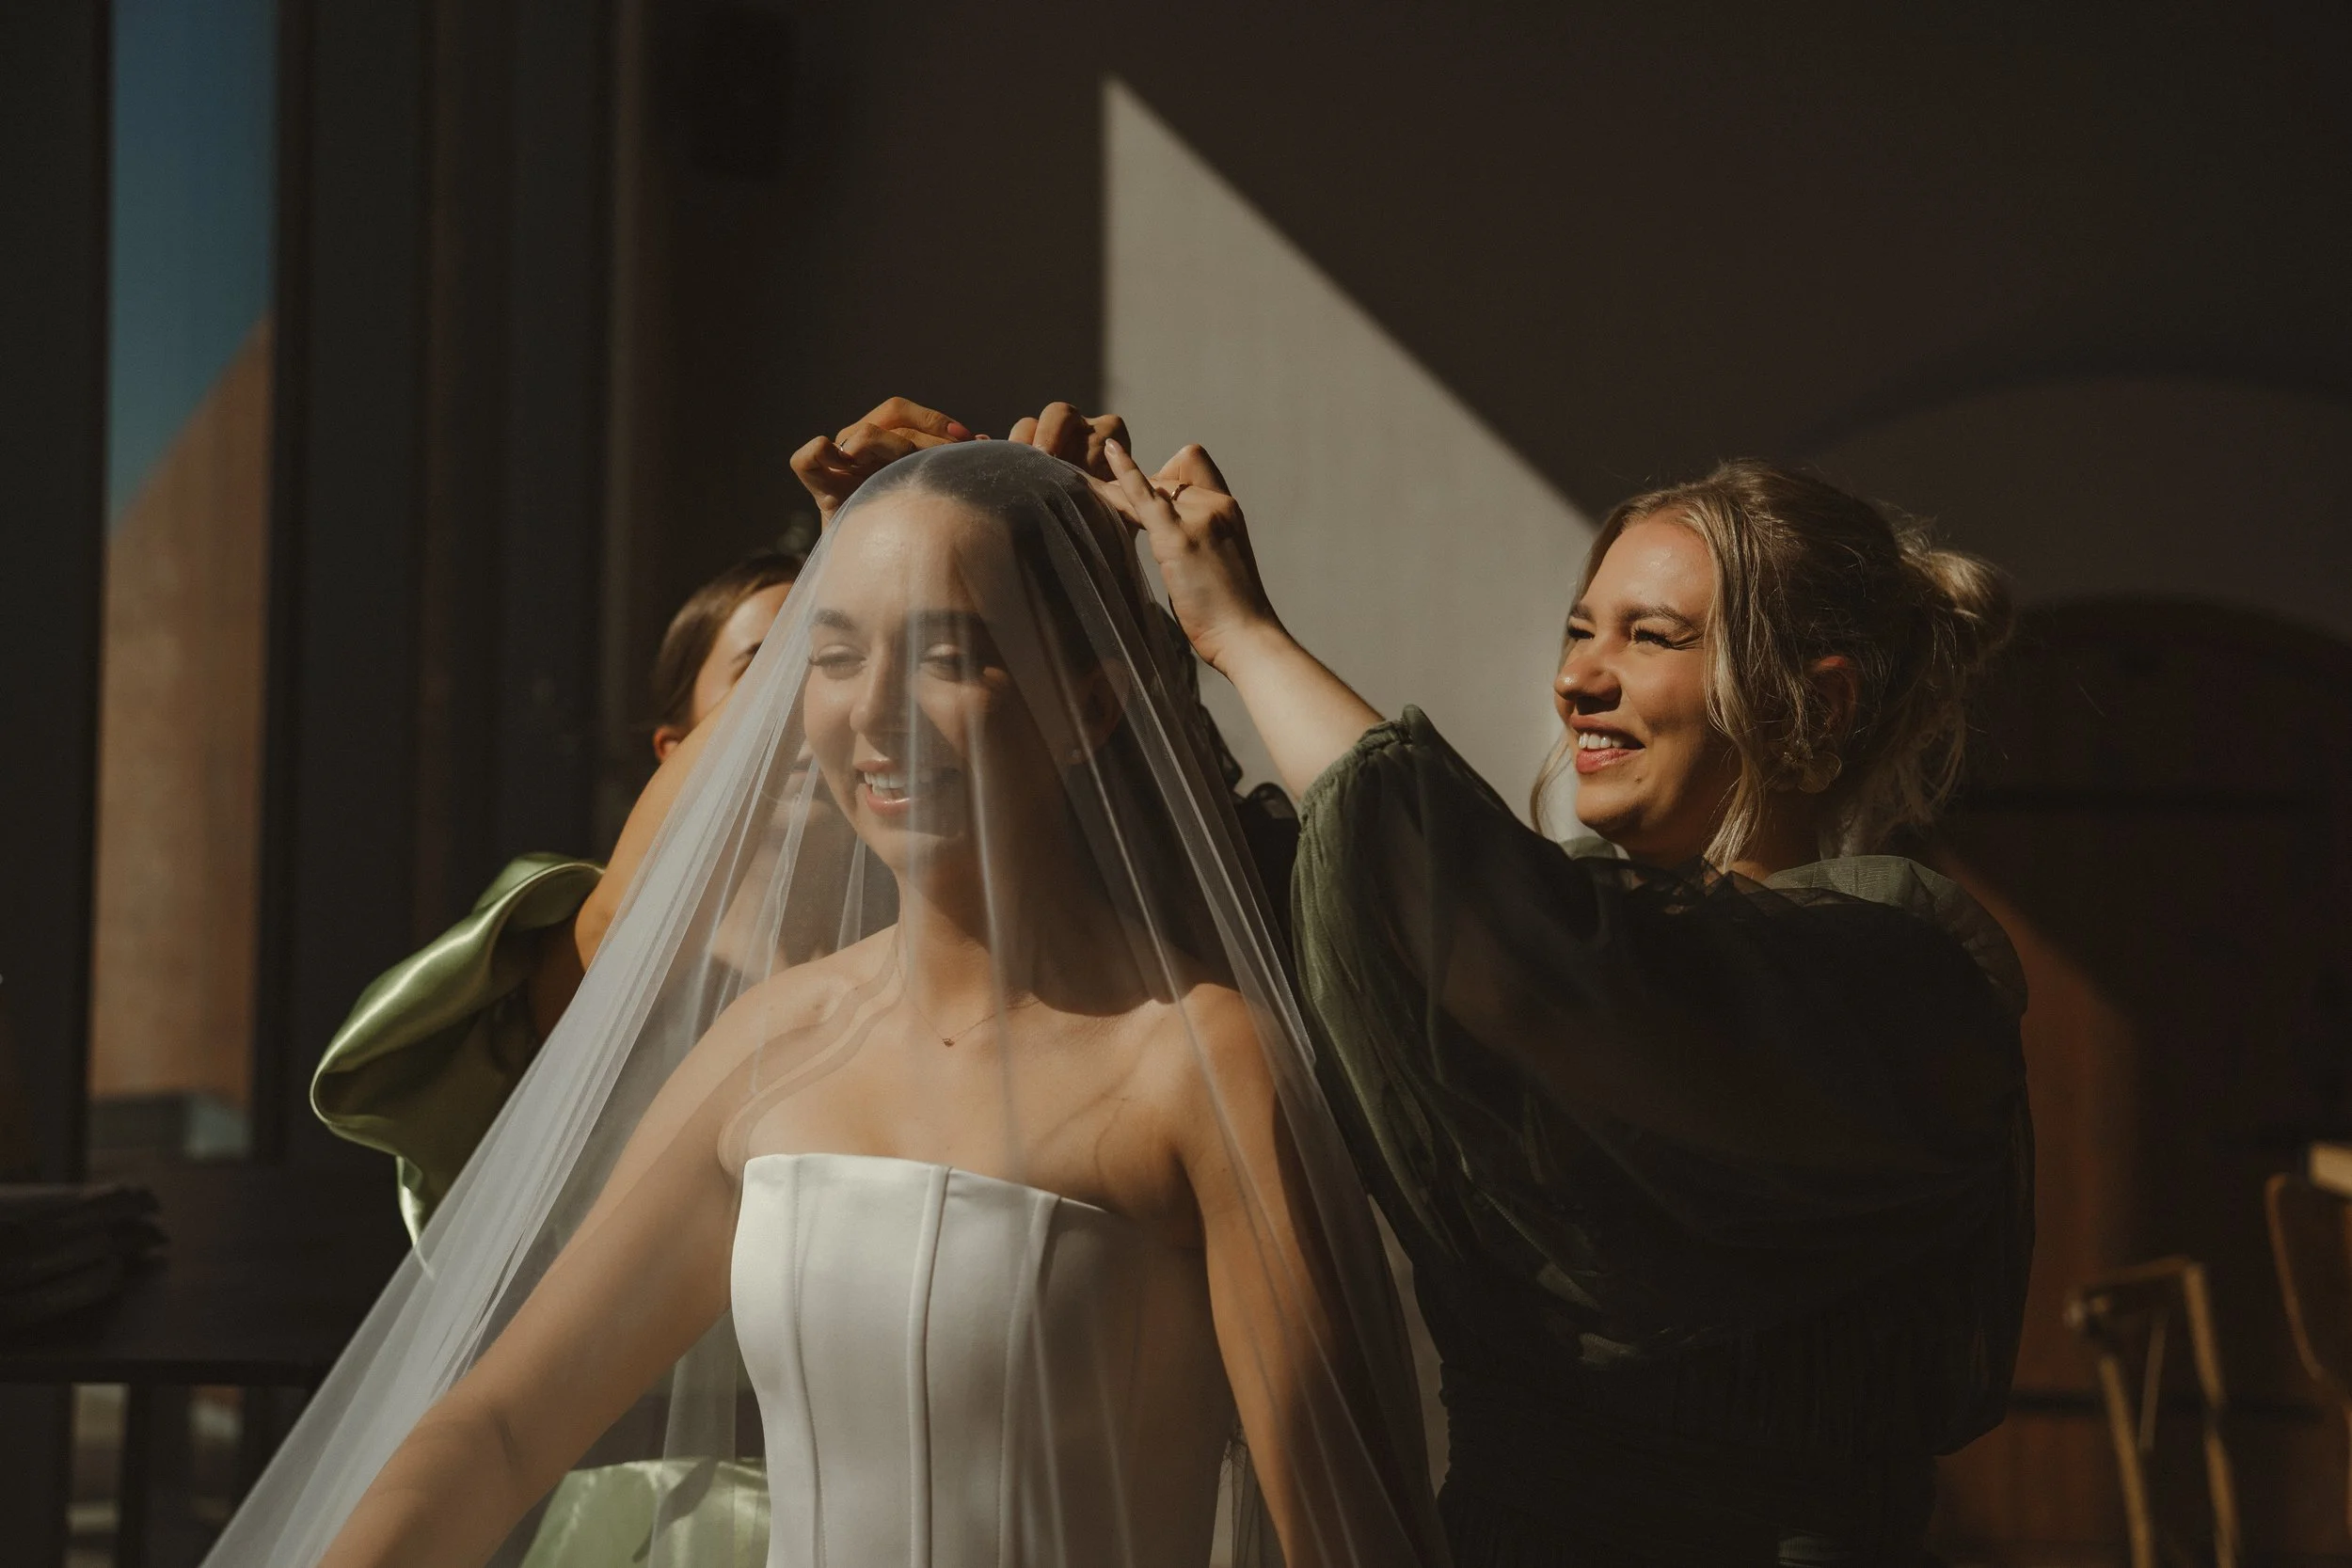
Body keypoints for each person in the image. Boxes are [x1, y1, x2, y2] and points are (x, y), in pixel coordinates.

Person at [796, 400, 2030, 1562]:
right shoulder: (1545, 922)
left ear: (1820, 695)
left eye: (1651, 636)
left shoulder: (1898, 963)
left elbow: (1510, 940)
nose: (1579, 680)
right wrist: (995, 558)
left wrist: (1242, 632)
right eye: (1578, 629)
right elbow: (1207, 864)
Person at [212, 441, 1441, 1568]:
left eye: (950, 654)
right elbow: (499, 1425)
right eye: (837, 654)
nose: (874, 712)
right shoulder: (774, 1042)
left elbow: (1344, 1541)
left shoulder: (1199, 1063)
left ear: (1090, 705)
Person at [312, 546, 805, 1238]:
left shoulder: (931, 942)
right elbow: (614, 938)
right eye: (771, 665)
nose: (809, 696)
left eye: (832, 661)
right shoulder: (593, 922)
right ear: (674, 749)